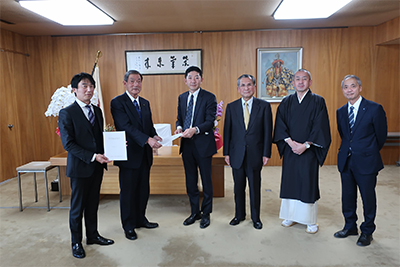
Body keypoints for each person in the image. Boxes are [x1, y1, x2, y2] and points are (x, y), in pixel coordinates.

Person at [58, 72, 114, 259]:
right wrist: (92, 156)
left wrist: (114, 147)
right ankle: (76, 242)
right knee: (77, 207)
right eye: (84, 86)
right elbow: (69, 144)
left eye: (91, 86)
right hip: (80, 167)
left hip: (97, 167)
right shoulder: (67, 113)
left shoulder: (97, 111)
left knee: (92, 204)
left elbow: (99, 138)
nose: (89, 89)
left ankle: (93, 235)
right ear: (75, 90)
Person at [273, 69, 331, 234]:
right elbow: (280, 124)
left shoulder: (318, 101)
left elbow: (320, 126)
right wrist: (291, 144)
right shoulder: (286, 101)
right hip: (291, 149)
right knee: (290, 182)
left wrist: (305, 145)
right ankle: (290, 216)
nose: (300, 82)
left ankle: (310, 221)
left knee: (307, 183)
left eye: (304, 79)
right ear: (293, 82)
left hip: (309, 150)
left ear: (310, 82)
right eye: (297, 79)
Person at [334, 75, 387, 246]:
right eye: (346, 87)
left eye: (353, 86)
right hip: (346, 161)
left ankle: (367, 231)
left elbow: (381, 136)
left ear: (360, 88)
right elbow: (345, 136)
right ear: (343, 90)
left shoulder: (374, 108)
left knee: (367, 197)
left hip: (366, 161)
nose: (349, 90)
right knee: (348, 197)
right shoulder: (341, 111)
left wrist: (366, 151)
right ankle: (350, 226)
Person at [110, 70, 162, 241]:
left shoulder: (145, 103)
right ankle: (128, 225)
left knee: (143, 190)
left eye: (138, 81)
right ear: (125, 83)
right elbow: (125, 126)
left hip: (145, 156)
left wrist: (154, 135)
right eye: (132, 81)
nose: (136, 84)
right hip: (129, 155)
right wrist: (147, 139)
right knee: (128, 192)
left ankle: (140, 219)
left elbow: (149, 125)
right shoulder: (118, 102)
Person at [223, 74, 273, 230]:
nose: (246, 88)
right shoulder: (231, 107)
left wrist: (266, 153)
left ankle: (256, 217)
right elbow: (227, 132)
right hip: (236, 154)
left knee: (254, 187)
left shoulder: (264, 106)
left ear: (254, 87)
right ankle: (239, 215)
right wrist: (226, 153)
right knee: (238, 187)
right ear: (238, 89)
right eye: (243, 85)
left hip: (255, 154)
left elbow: (267, 132)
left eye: (249, 85)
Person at [174, 66, 217, 229]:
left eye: (196, 77)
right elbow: (179, 117)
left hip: (203, 145)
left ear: (201, 79)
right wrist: (179, 126)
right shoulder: (182, 97)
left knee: (206, 181)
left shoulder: (209, 97)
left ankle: (206, 214)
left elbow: (210, 121)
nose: (193, 80)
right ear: (185, 80)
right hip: (187, 145)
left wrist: (195, 129)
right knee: (191, 181)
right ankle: (194, 212)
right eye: (190, 77)